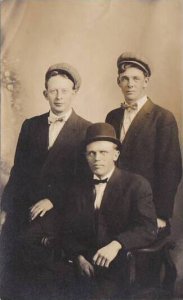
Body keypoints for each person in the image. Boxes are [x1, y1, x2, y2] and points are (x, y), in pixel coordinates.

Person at [0, 62, 91, 272]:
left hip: (61, 209)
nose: (59, 96)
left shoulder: (86, 130)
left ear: (74, 93)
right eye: (53, 91)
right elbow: (18, 171)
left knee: (37, 256)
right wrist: (5, 209)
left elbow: (84, 180)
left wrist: (53, 200)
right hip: (25, 206)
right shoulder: (31, 125)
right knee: (8, 250)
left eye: (64, 91)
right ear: (45, 94)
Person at [63, 122, 157, 299]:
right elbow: (67, 230)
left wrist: (116, 244)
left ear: (116, 154)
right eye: (91, 153)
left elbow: (148, 229)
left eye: (103, 152)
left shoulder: (136, 185)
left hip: (118, 268)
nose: (97, 158)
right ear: (85, 156)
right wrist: (78, 257)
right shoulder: (76, 187)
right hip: (81, 265)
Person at [106, 52, 182, 236]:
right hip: (115, 205)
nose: (130, 84)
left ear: (145, 82)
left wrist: (161, 215)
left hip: (147, 208)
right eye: (125, 79)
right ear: (118, 82)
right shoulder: (112, 116)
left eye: (136, 79)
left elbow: (171, 169)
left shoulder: (163, 118)